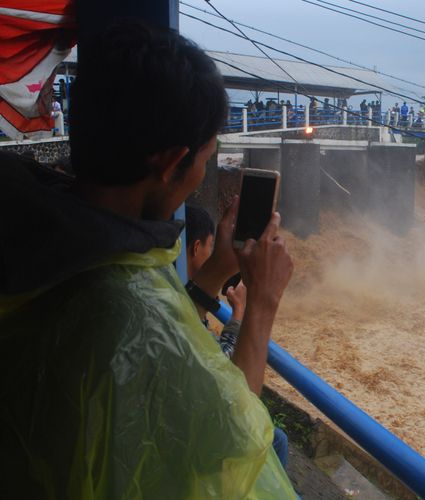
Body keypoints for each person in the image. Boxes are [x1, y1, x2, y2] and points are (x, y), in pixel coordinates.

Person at [0, 20, 295, 498]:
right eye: (205, 156)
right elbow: (230, 450)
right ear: (169, 161)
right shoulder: (119, 305)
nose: (202, 173)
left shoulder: (37, 233)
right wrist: (262, 303)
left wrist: (217, 269)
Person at [185, 205, 290, 469]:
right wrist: (252, 304)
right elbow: (238, 409)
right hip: (202, 451)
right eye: (210, 247)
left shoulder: (169, 289)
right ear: (196, 249)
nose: (211, 253)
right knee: (276, 439)